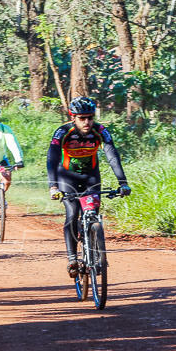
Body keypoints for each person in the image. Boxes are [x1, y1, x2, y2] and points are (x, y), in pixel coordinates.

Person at [46, 97, 131, 277]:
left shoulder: (100, 131)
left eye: (90, 118)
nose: (87, 122)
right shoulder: (63, 132)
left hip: (91, 177)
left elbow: (112, 156)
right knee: (72, 213)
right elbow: (52, 159)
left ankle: (94, 245)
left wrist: (123, 183)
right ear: (73, 118)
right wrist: (53, 186)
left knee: (93, 212)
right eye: (82, 118)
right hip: (66, 177)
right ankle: (72, 259)